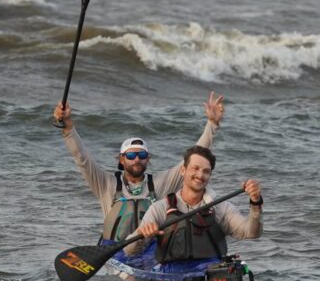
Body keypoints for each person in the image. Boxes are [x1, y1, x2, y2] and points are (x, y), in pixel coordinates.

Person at [54, 92, 225, 243]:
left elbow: (194, 160)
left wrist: (212, 124)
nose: (137, 159)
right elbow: (82, 158)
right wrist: (68, 127)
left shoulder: (159, 183)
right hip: (114, 250)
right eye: (130, 156)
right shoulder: (106, 184)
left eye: (142, 156)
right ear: (121, 160)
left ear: (148, 160)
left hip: (148, 250)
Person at [125, 145, 263, 269]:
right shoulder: (160, 208)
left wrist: (255, 203)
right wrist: (141, 235)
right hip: (172, 275)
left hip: (211, 272)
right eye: (195, 168)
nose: (200, 175)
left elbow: (251, 233)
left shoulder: (222, 208)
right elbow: (129, 251)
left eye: (206, 171)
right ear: (183, 170)